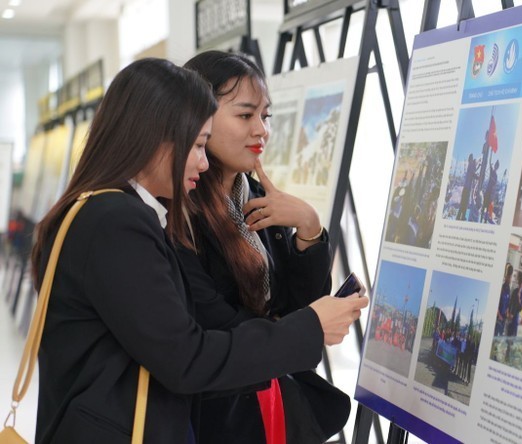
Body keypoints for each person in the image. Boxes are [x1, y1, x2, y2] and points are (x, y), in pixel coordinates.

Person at [30, 58, 367, 443]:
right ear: (155, 136)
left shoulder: (115, 211)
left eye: (265, 115)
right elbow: (186, 357)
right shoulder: (117, 220)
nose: (203, 162)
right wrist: (309, 326)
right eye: (197, 144)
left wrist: (308, 232)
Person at [179, 50, 350, 443]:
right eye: (245, 115)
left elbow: (297, 307)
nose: (261, 130)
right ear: (197, 117)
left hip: (269, 402)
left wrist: (308, 227)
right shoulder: (180, 213)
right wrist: (295, 326)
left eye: (265, 116)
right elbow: (213, 328)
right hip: (215, 417)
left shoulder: (256, 198)